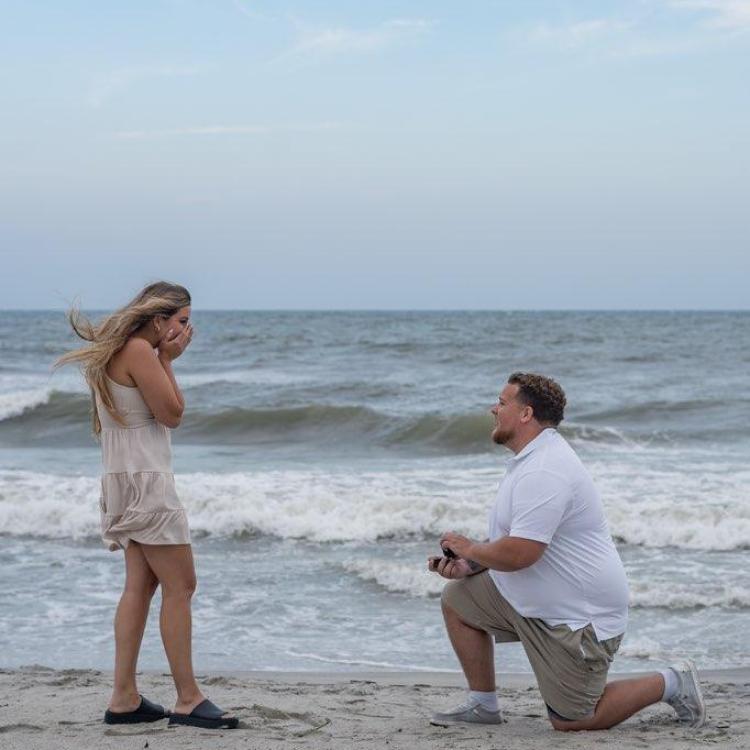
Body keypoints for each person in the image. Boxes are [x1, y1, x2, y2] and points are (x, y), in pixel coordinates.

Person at [427, 372, 705, 731]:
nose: (492, 408)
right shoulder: (529, 461)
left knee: (573, 720)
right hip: (534, 601)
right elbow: (510, 544)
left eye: (501, 402)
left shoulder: (545, 469)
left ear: (525, 414)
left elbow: (521, 554)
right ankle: (483, 705)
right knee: (458, 598)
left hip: (577, 619)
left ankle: (672, 681)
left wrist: (470, 546)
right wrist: (470, 563)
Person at [57, 282, 238, 730]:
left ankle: (123, 698)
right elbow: (172, 413)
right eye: (181, 320)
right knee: (182, 585)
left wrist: (164, 359)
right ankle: (188, 698)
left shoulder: (118, 350)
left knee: (140, 586)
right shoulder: (141, 351)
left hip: (124, 479)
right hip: (148, 483)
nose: (185, 330)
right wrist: (167, 361)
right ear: (158, 319)